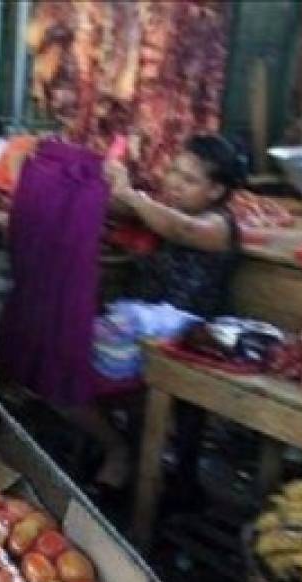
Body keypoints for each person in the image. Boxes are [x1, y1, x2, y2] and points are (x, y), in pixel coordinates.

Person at [71, 134, 246, 495]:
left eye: (189, 180)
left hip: (184, 335)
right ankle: (119, 448)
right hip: (142, 328)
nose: (175, 184)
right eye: (174, 173)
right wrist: (109, 183)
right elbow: (123, 208)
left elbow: (179, 229)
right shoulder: (168, 210)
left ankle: (122, 454)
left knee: (71, 368)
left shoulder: (219, 225)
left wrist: (132, 196)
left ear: (216, 191)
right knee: (59, 365)